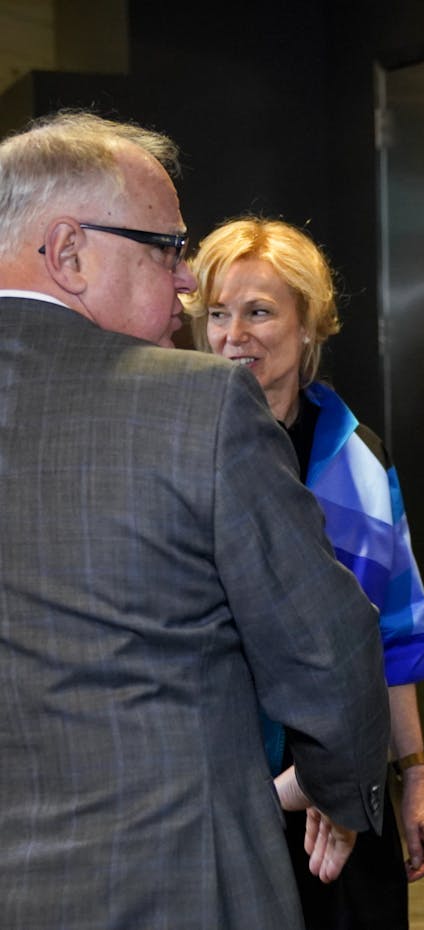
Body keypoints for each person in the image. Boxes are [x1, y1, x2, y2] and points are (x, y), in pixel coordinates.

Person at [0, 112, 391, 929]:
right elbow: (326, 648)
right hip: (178, 882)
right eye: (166, 246)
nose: (186, 280)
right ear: (68, 252)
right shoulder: (197, 406)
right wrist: (341, 786)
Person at [185, 217, 424, 929]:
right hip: (226, 800)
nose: (232, 333)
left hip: (350, 795)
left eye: (259, 311)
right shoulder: (179, 453)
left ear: (309, 328)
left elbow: (393, 636)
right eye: (216, 313)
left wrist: (413, 779)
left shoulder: (359, 457)